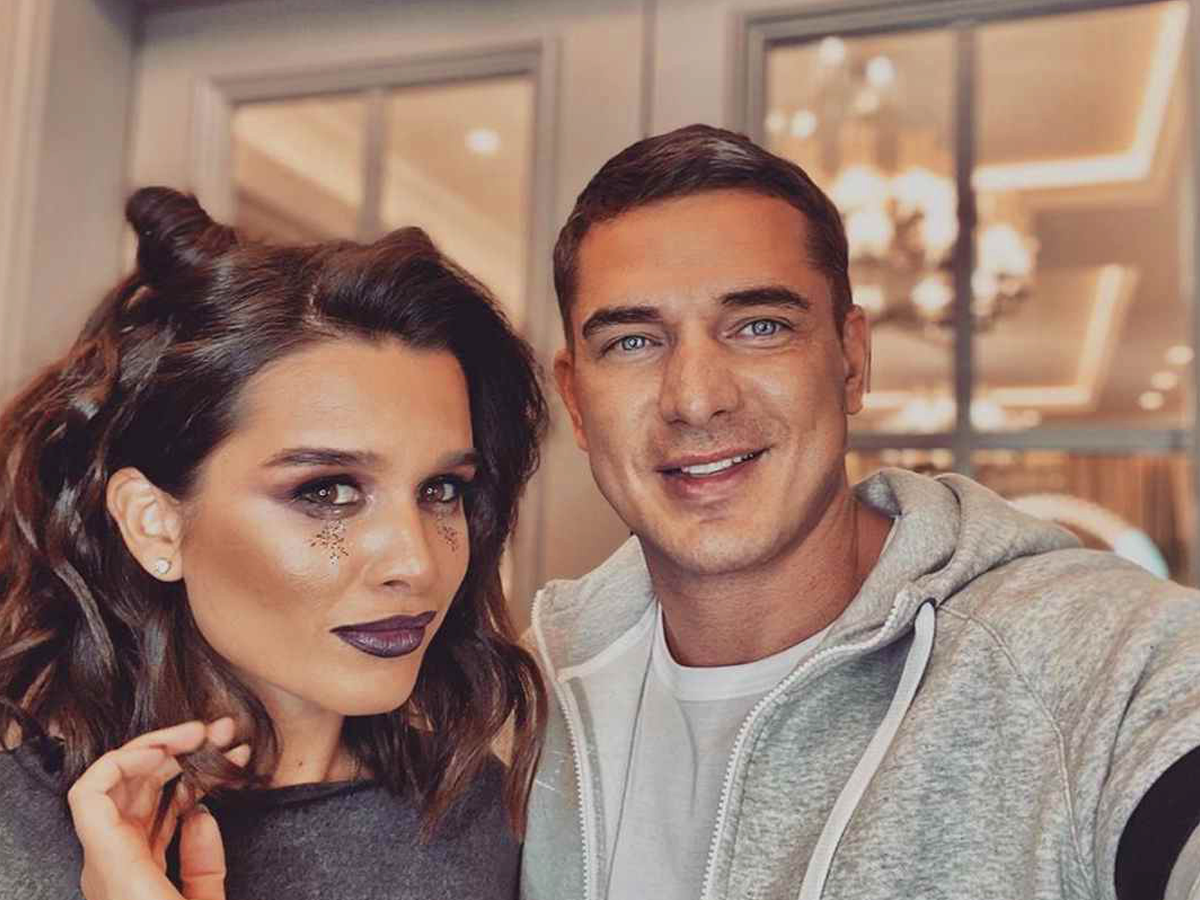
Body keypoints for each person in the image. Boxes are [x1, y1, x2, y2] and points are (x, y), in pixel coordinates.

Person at [519, 124, 1200, 900]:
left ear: (851, 360)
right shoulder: (526, 694)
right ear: (575, 400)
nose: (697, 399)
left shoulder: (1096, 658)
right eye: (634, 342)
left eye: (760, 327)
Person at [0, 187, 547, 900]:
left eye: (442, 489)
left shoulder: (492, 824)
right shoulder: (17, 835)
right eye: (327, 491)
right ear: (154, 522)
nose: (416, 563)